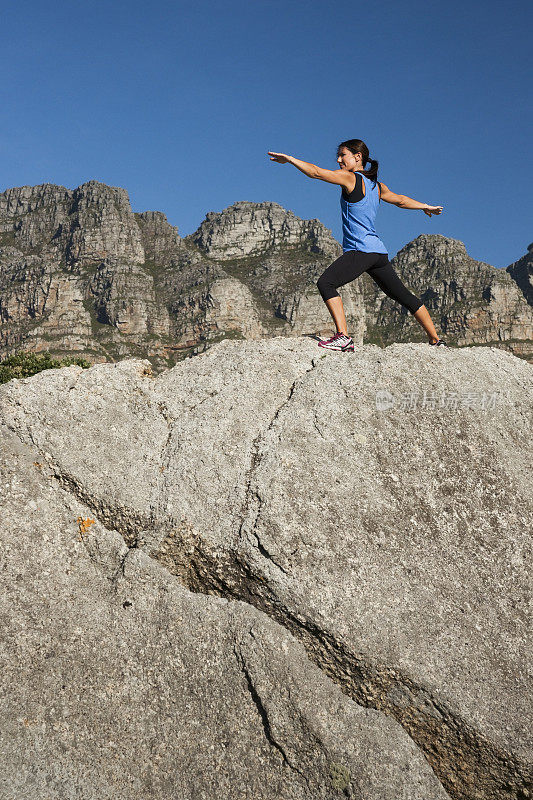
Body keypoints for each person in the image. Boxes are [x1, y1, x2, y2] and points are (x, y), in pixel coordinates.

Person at [268, 140, 446, 351]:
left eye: (343, 155)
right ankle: (436, 340)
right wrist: (425, 206)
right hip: (378, 253)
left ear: (358, 157)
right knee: (403, 295)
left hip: (361, 249)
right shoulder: (377, 186)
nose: (339, 160)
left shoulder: (351, 178)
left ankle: (343, 336)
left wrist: (290, 159)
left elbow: (316, 172)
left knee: (326, 283)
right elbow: (399, 200)